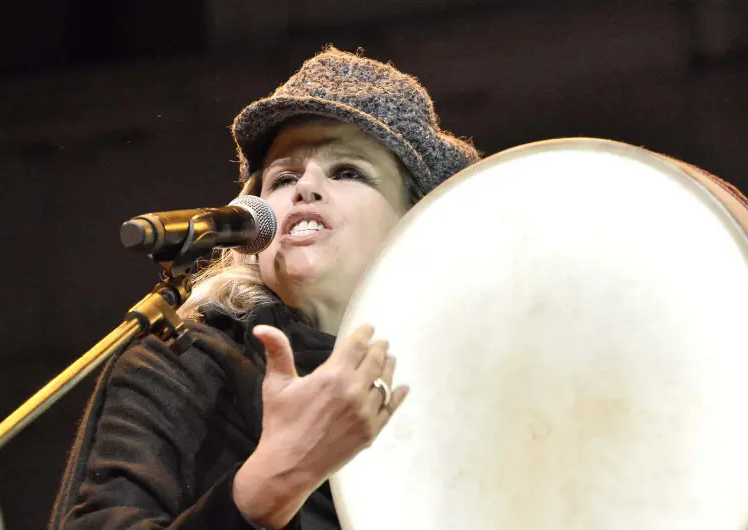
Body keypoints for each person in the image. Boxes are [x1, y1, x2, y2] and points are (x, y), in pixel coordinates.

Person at [50, 46, 480, 529]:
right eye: (284, 177)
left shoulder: (470, 382)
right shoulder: (182, 366)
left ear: (415, 221)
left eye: (348, 172)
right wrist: (271, 483)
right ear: (254, 232)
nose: (306, 187)